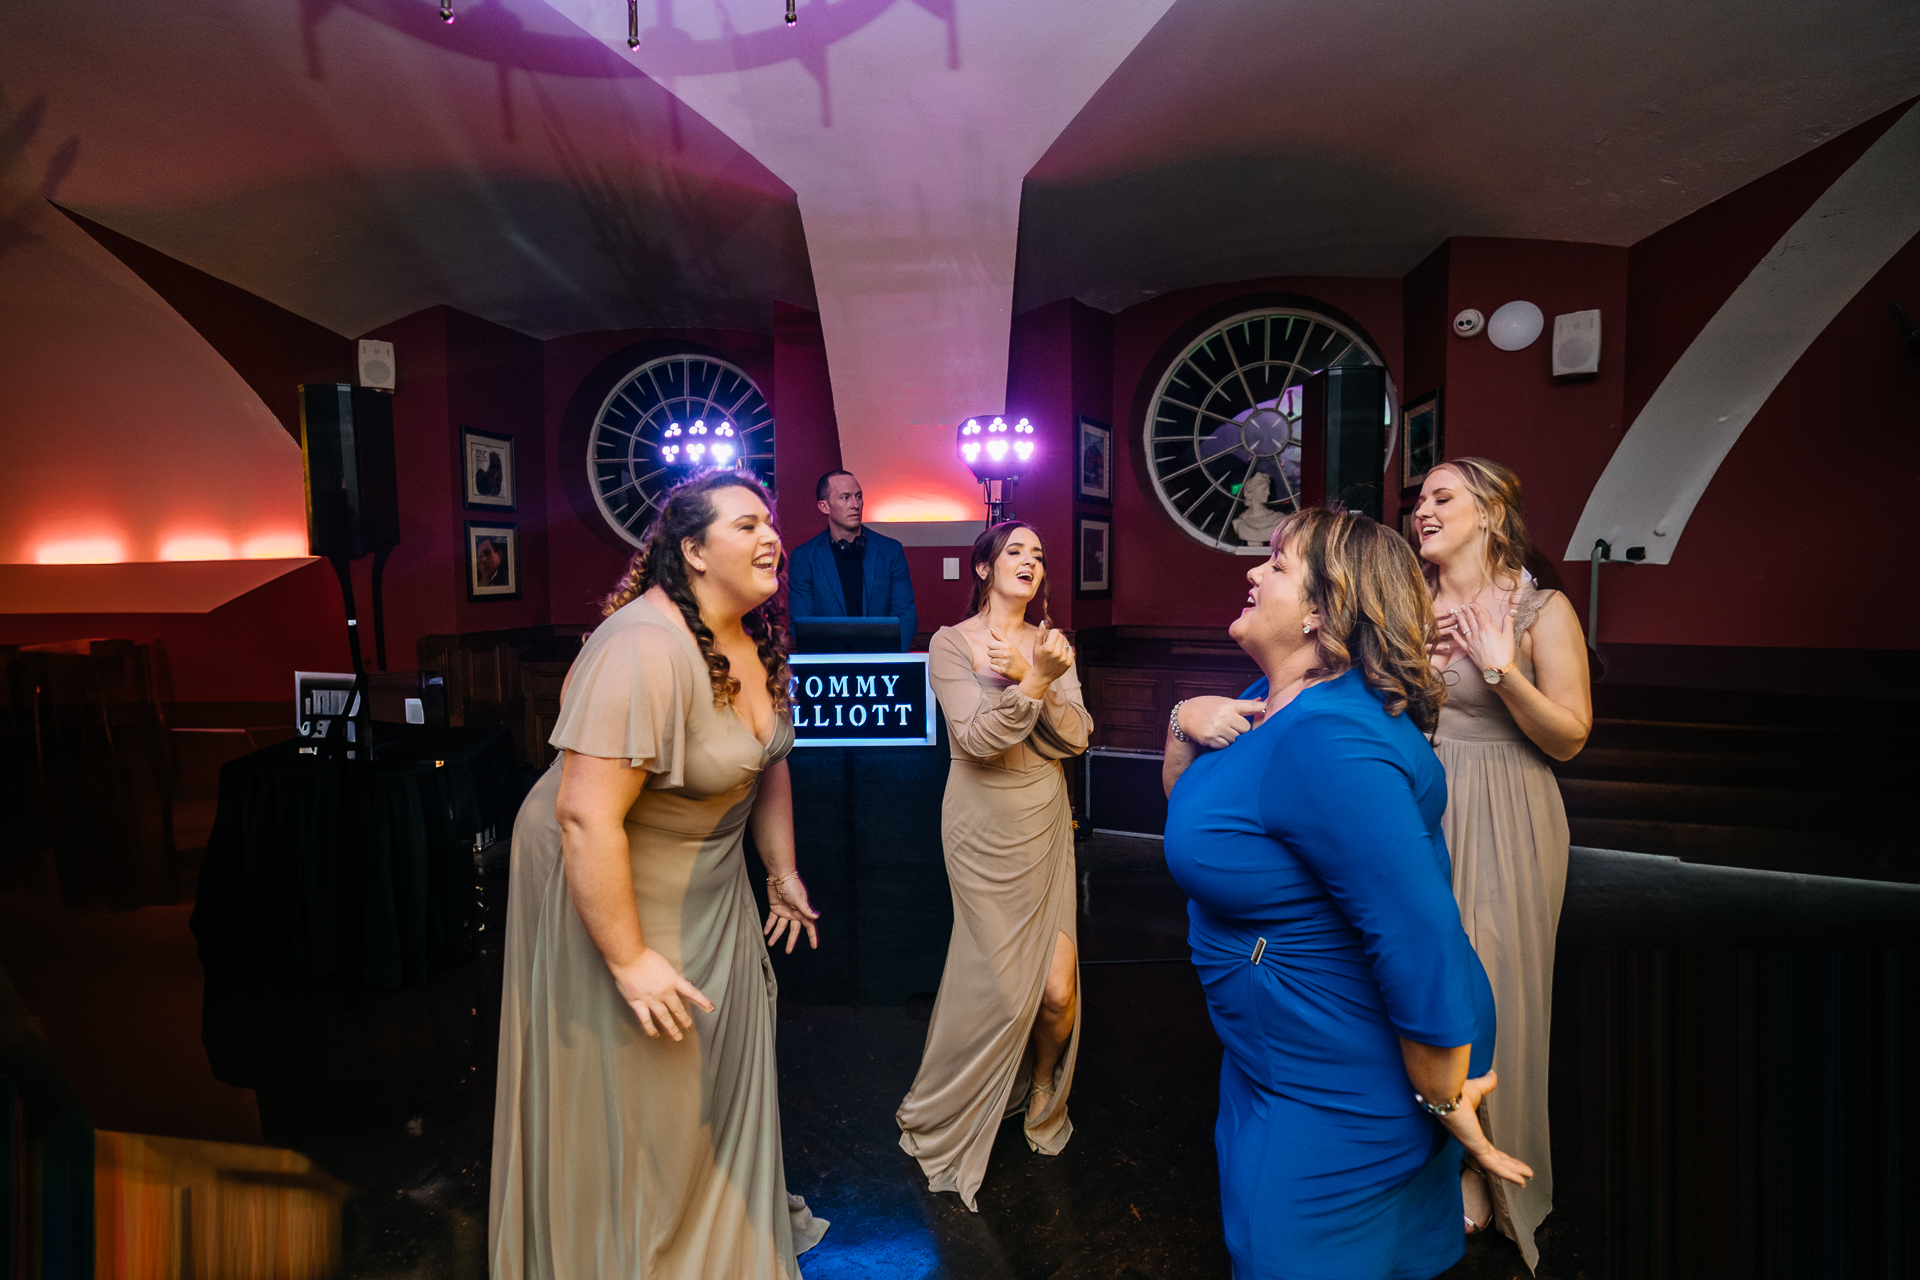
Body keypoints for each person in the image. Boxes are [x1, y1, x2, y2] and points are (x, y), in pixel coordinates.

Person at [1163, 508, 1531, 1280]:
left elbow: (1417, 930)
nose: (1253, 573)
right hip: (1275, 1060)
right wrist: (1182, 722)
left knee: (1291, 1257)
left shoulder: (1327, 735)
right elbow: (1198, 814)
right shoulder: (1271, 699)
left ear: (1324, 611)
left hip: (1338, 1081)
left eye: (1277, 563)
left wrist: (1439, 1099)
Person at [489, 471, 829, 1279]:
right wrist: (628, 959)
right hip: (611, 877)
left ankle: (721, 1235)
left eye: (770, 522)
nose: (770, 536)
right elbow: (585, 816)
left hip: (708, 877)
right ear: (693, 550)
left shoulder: (756, 633)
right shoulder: (643, 646)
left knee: (713, 1070)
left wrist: (780, 870)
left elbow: (767, 760)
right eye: (746, 525)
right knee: (651, 1086)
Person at [1414, 457, 1590, 1266]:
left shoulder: (1540, 606)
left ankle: (1490, 1168)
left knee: (1493, 989)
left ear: (1489, 512)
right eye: (1419, 499)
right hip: (1419, 804)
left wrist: (1498, 666)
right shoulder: (1407, 605)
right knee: (1422, 982)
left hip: (1510, 804)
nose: (1423, 509)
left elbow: (1569, 736)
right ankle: (1429, 1158)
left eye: (1442, 496)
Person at [896, 521, 1091, 1210]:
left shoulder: (1053, 644)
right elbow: (977, 740)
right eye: (1016, 551)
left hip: (1043, 813)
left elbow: (1076, 738)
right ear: (983, 566)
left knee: (1056, 991)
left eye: (1040, 554)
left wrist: (1042, 675)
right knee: (1001, 989)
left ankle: (1042, 1082)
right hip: (980, 821)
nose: (1031, 561)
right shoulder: (949, 643)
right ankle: (957, 1097)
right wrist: (1033, 683)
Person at [786, 469, 918, 650]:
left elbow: (906, 615)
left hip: (884, 666)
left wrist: (888, 662)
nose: (855, 504)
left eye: (858, 496)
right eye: (845, 497)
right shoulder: (803, 558)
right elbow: (802, 624)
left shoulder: (891, 551)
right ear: (824, 506)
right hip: (830, 670)